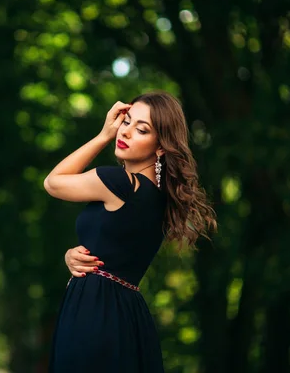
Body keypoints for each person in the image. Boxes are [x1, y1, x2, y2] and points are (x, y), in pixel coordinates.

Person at [44, 91, 217, 372]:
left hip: (94, 312)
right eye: (126, 122)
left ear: (160, 146)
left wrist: (102, 136)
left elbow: (53, 183)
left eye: (142, 129)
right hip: (128, 315)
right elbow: (114, 252)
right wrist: (71, 255)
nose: (125, 132)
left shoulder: (119, 182)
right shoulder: (163, 199)